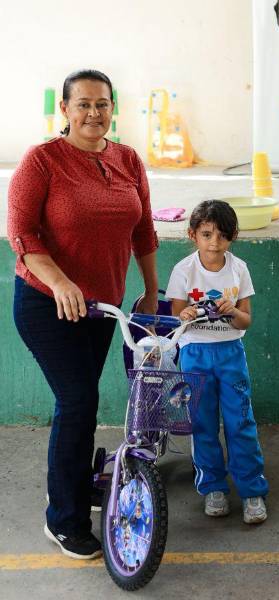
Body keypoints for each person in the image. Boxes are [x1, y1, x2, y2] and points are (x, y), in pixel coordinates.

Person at [8, 69, 159, 559]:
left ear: (113, 108)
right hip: (46, 304)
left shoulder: (128, 159)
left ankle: (74, 482)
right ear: (66, 110)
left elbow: (144, 233)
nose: (94, 113)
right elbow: (23, 235)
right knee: (76, 402)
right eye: (83, 104)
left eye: (103, 104)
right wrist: (59, 281)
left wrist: (151, 292)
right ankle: (64, 519)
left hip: (103, 308)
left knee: (85, 403)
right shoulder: (42, 161)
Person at [166, 200, 268, 524]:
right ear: (192, 234)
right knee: (202, 423)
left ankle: (252, 491)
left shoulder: (238, 269)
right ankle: (213, 487)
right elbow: (176, 316)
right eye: (207, 234)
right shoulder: (183, 269)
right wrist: (184, 314)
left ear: (233, 236)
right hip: (194, 354)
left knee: (241, 422)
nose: (214, 242)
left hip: (230, 354)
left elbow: (245, 321)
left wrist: (232, 311)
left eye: (222, 236)